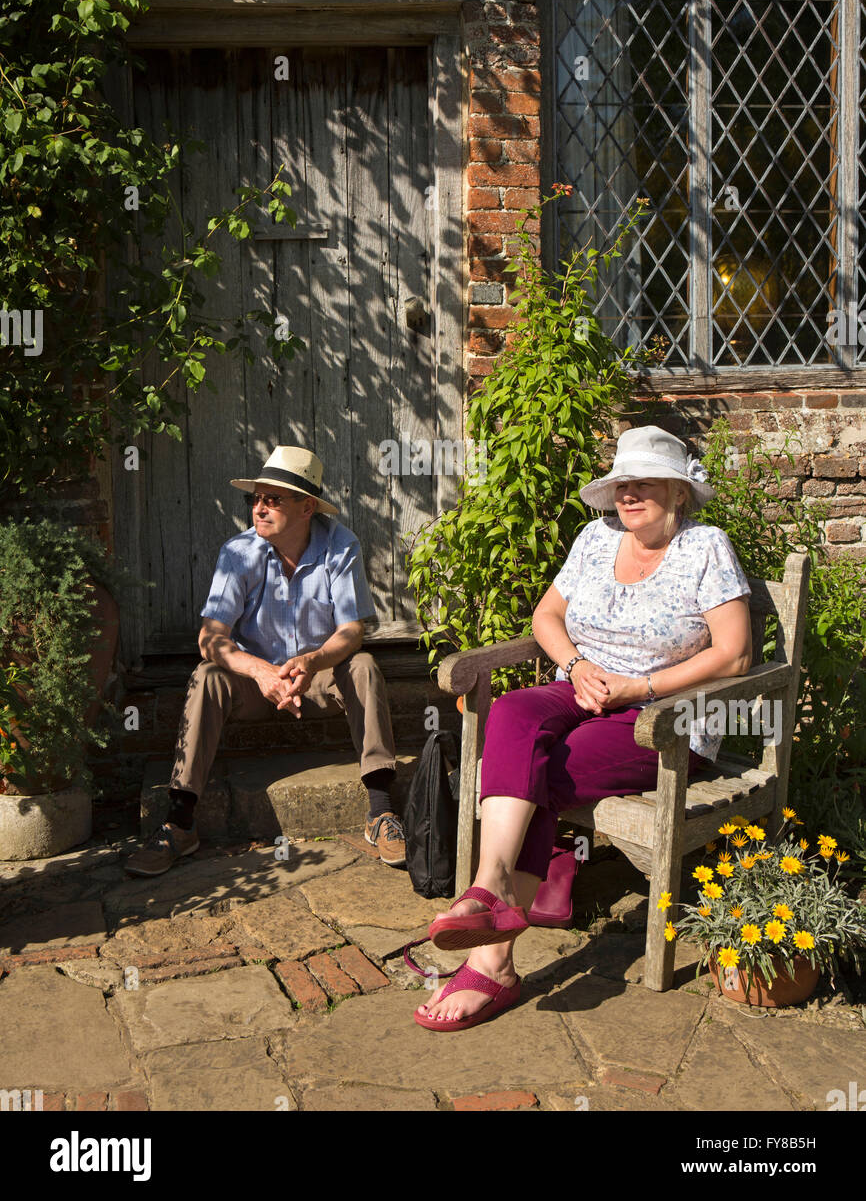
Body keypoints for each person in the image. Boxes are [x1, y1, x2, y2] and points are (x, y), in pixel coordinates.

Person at [415, 426, 753, 1031]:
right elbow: (548, 615)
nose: (628, 493)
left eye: (644, 481)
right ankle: (491, 885)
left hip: (660, 718)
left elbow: (734, 656)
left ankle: (492, 961)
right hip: (581, 686)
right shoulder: (595, 538)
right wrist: (576, 664)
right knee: (516, 712)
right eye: (622, 482)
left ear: (678, 492)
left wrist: (639, 688)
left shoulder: (707, 547)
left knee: (541, 767)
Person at [126, 446, 405, 876]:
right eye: (255, 498)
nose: (259, 508)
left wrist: (312, 660)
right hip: (256, 686)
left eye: (272, 499)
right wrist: (258, 670)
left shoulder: (340, 544)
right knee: (207, 676)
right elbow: (210, 637)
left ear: (307, 506)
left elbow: (352, 630)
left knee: (364, 665)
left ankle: (382, 812)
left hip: (318, 677)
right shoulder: (239, 552)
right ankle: (179, 823)